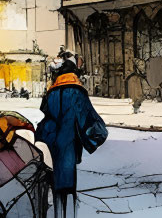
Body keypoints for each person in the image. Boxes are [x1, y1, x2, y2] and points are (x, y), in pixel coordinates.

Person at [37, 61, 108, 218]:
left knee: (53, 182)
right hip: (67, 142)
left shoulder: (52, 91)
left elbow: (44, 110)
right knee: (68, 186)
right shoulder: (76, 92)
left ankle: (57, 213)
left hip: (49, 141)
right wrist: (95, 135)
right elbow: (86, 116)